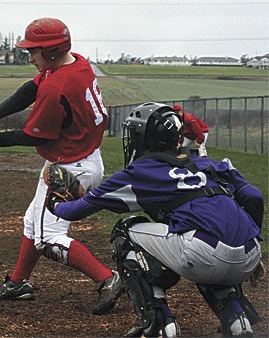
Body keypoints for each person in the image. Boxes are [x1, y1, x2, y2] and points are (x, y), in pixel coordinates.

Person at [48, 102, 265, 337]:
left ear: (142, 138)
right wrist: (253, 250)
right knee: (208, 235)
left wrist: (56, 202)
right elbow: (254, 197)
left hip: (204, 255)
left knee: (124, 232)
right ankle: (236, 321)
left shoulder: (139, 172)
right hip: (249, 253)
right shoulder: (211, 163)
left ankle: (160, 324)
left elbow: (72, 212)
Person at [0, 17, 123, 315]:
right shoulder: (76, 64)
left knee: (47, 237)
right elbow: (31, 88)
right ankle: (18, 282)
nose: (30, 57)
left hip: (67, 169)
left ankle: (108, 278)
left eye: (35, 51)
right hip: (86, 158)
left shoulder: (58, 87)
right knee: (33, 221)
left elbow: (31, 135)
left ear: (52, 51)